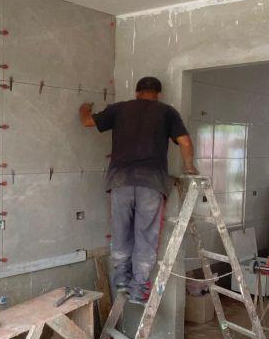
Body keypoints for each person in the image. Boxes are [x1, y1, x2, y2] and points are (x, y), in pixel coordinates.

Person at [80, 76, 197, 303]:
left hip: (120, 181)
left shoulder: (119, 109)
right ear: (158, 94)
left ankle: (121, 281)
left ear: (136, 92)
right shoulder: (167, 112)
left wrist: (84, 107)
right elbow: (184, 142)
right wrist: (189, 167)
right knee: (146, 235)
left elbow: (86, 121)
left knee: (121, 231)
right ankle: (138, 289)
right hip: (151, 183)